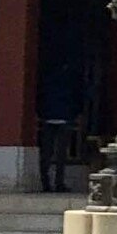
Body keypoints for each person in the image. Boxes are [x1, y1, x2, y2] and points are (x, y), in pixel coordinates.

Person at [36, 53, 83, 193]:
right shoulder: (70, 81)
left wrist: (41, 113)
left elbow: (40, 98)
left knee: (46, 154)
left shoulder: (46, 80)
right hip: (64, 119)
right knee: (60, 155)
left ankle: (45, 184)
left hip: (48, 119)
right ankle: (59, 183)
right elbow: (77, 99)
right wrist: (75, 114)